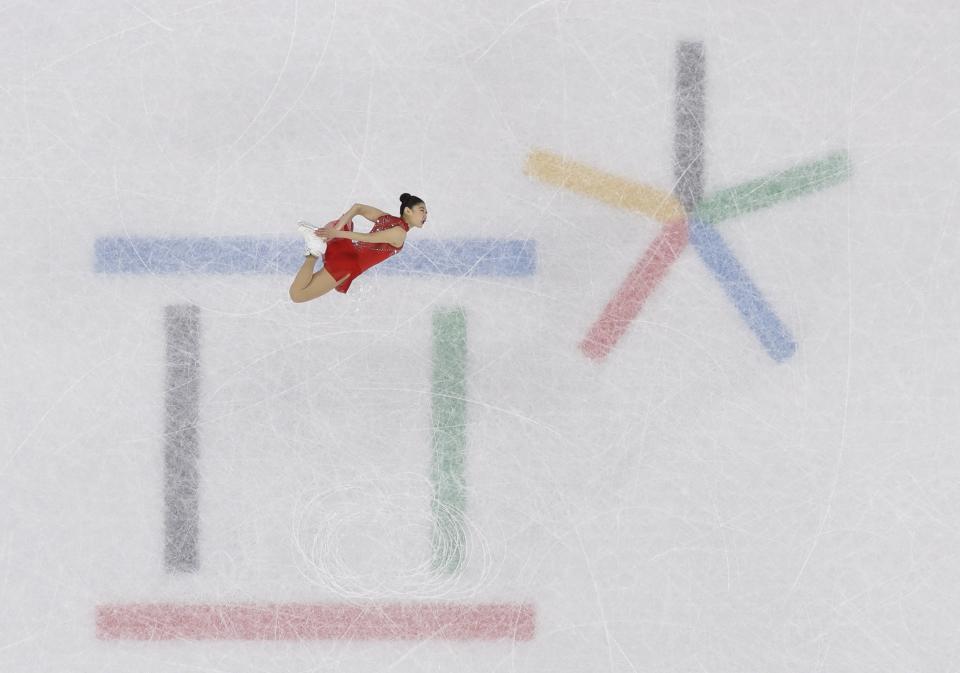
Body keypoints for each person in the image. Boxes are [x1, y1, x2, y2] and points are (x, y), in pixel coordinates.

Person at [288, 193, 427, 303]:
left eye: (426, 212)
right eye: (422, 210)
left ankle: (318, 244)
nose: (425, 215)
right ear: (408, 211)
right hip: (347, 265)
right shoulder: (400, 233)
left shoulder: (388, 219)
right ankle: (313, 250)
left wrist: (335, 230)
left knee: (298, 292)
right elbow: (370, 238)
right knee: (297, 295)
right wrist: (336, 232)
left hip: (346, 251)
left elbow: (357, 208)